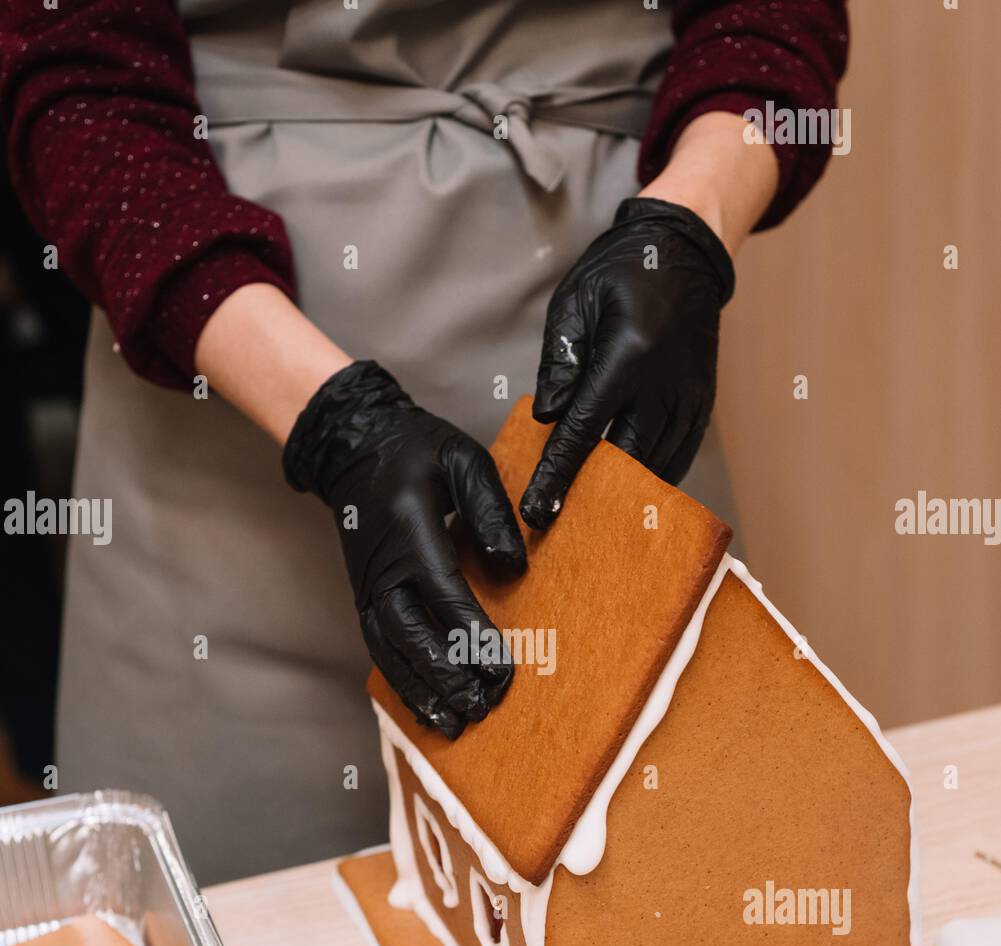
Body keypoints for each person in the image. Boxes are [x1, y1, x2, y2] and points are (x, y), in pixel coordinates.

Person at [0, 0, 848, 882]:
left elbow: (778, 14)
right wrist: (334, 423)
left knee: (680, 932)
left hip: (616, 426)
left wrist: (689, 227)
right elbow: (78, 85)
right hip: (219, 455)